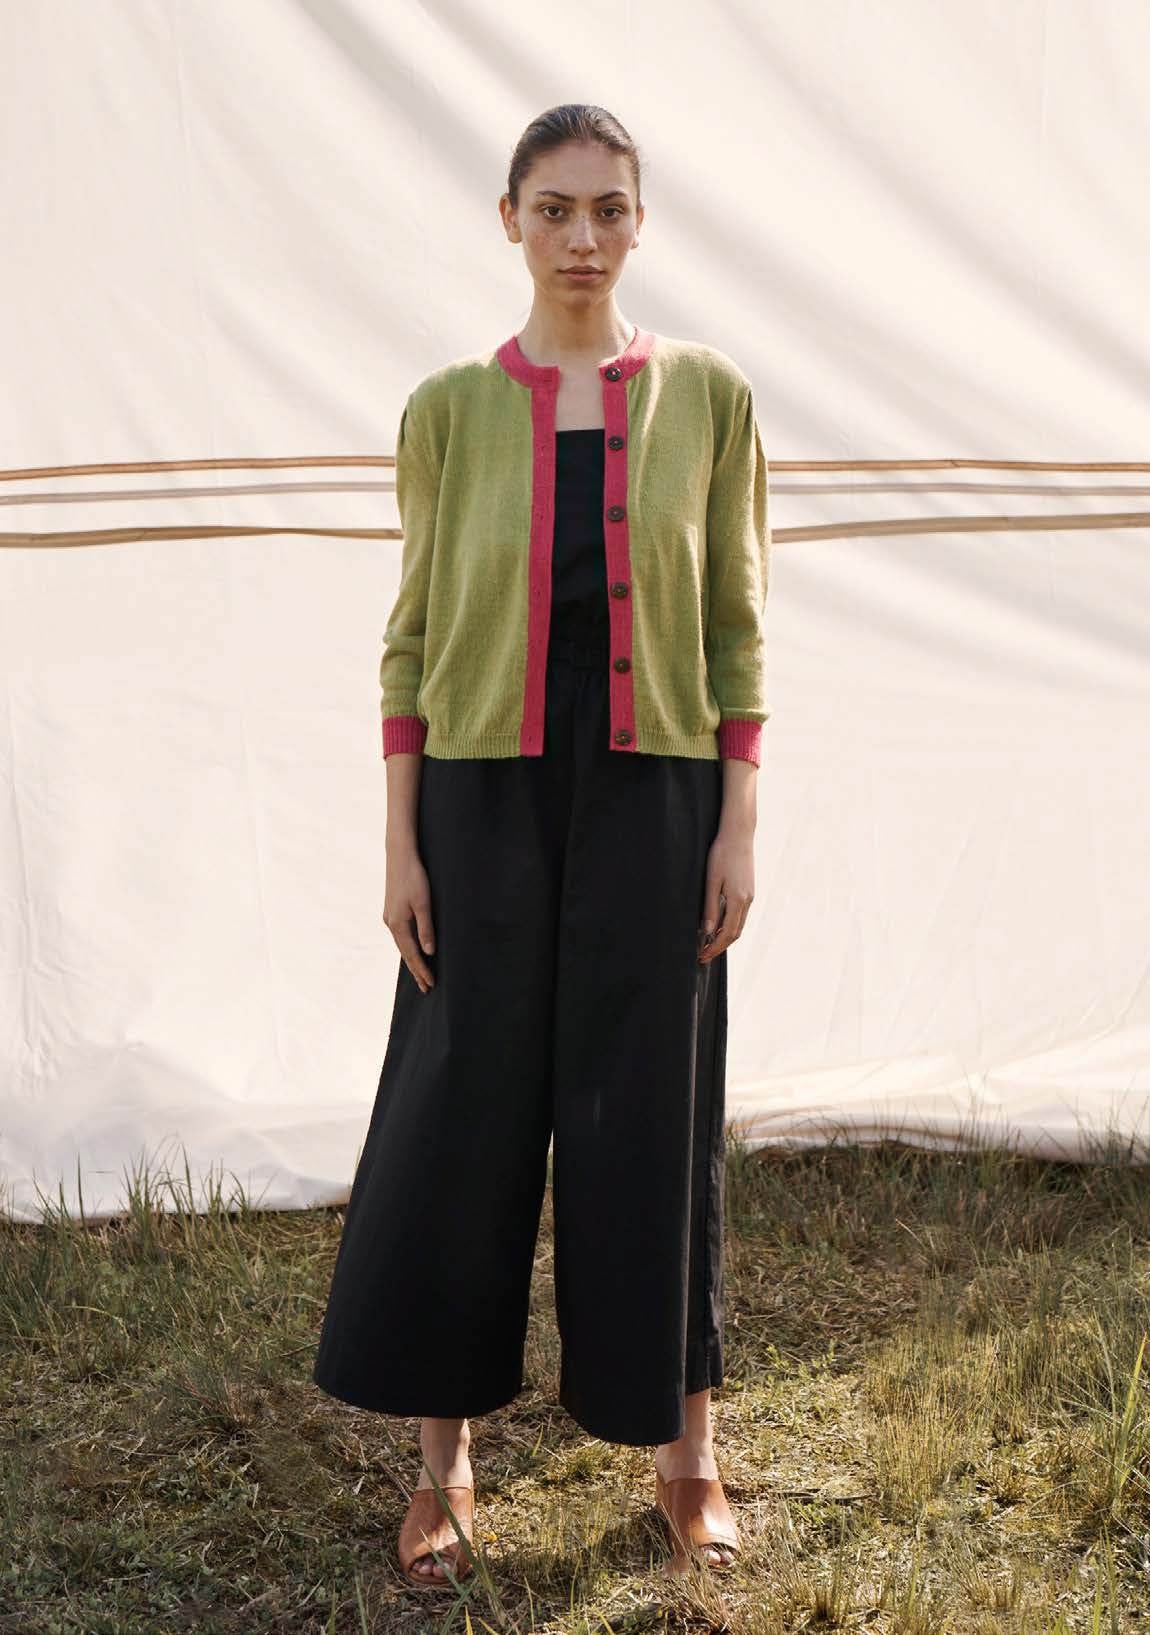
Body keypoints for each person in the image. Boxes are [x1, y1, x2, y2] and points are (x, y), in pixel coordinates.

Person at [312, 102, 769, 1589]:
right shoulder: (448, 408)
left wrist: (737, 822)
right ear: (507, 218)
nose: (584, 237)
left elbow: (739, 626)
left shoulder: (711, 398)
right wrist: (402, 843)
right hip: (479, 791)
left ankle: (686, 1456)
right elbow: (410, 640)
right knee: (465, 1108)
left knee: (655, 1110)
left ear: (642, 222)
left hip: (658, 789)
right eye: (555, 208)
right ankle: (443, 1465)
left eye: (609, 209)